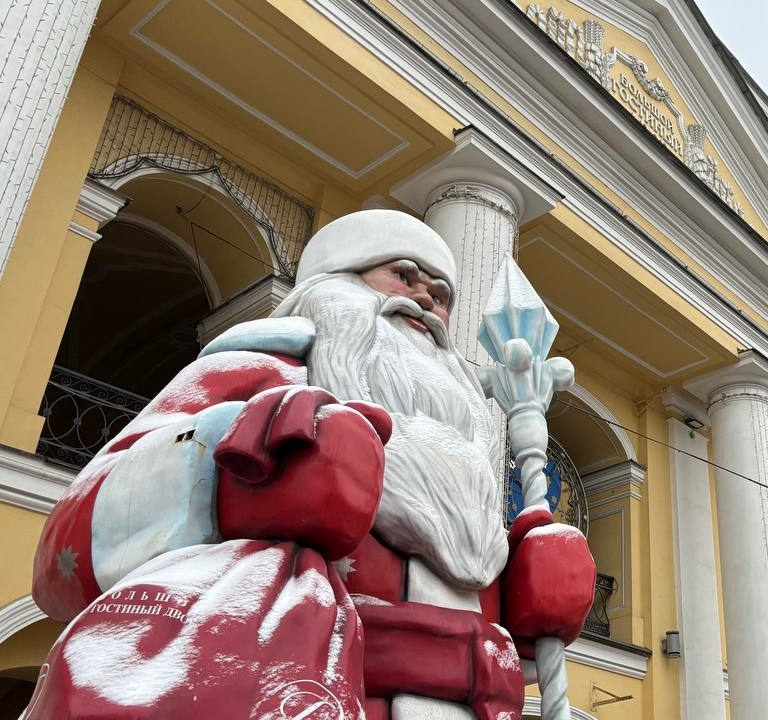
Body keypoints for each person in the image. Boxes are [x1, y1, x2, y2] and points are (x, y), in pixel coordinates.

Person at [23, 209, 597, 720]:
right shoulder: (258, 372)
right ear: (338, 284)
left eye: (441, 294)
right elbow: (66, 550)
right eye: (403, 275)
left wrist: (526, 602)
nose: (427, 300)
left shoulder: (464, 452)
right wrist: (247, 474)